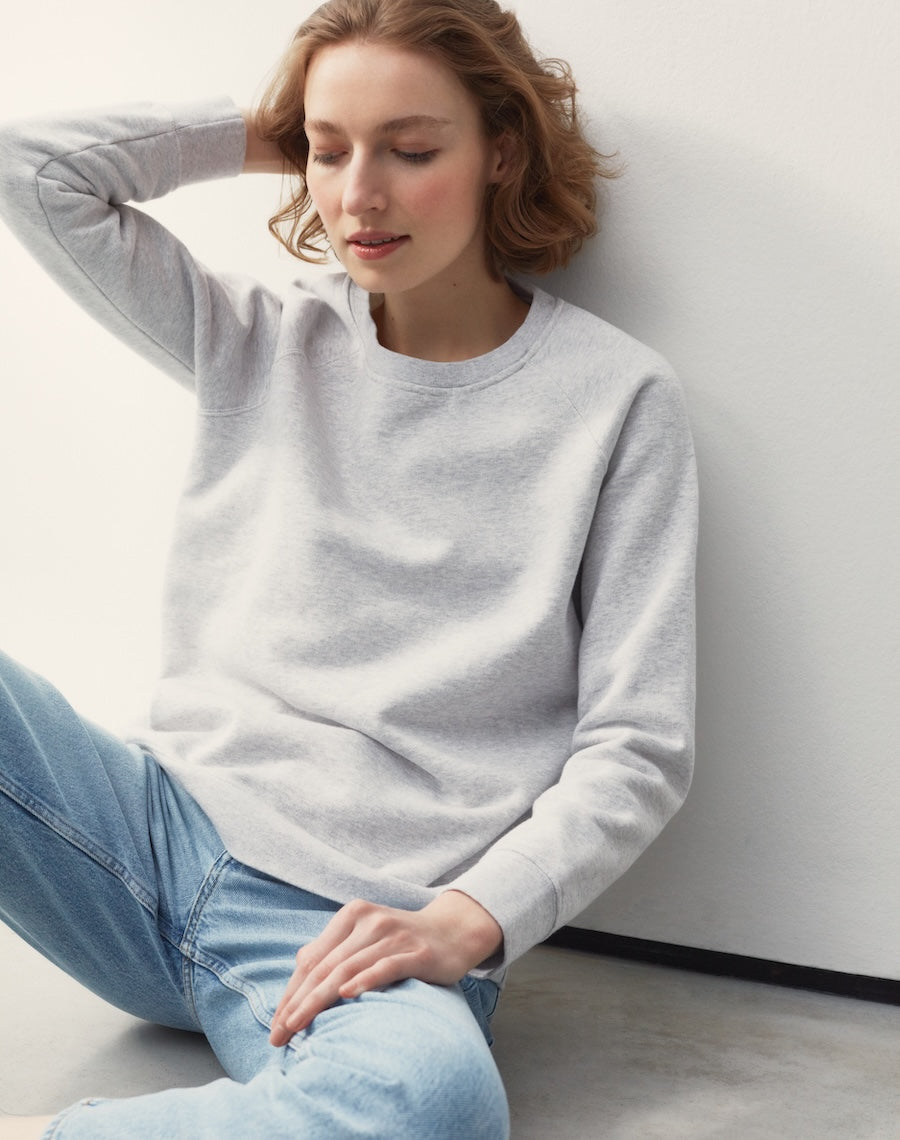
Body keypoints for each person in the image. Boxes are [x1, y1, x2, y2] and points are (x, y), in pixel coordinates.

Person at [0, 0, 697, 1135]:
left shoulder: (617, 402)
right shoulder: (261, 338)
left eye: (411, 150)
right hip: (143, 843)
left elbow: (639, 746)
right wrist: (278, 130)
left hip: (360, 926)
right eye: (328, 153)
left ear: (502, 151)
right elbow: (31, 170)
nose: (358, 197)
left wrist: (470, 918)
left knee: (434, 1104)